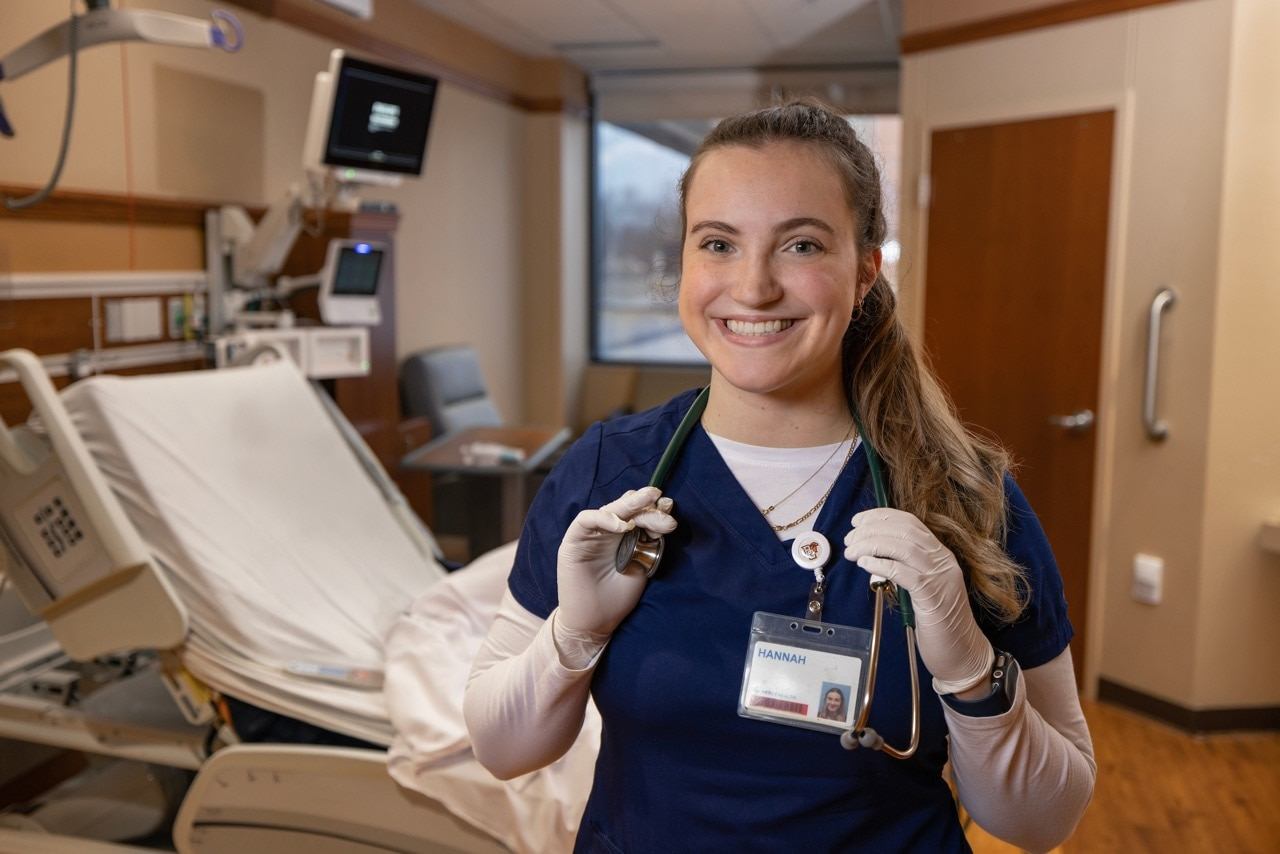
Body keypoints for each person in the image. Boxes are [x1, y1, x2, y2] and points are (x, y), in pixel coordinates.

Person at [464, 99, 1096, 853]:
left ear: (864, 271)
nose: (755, 286)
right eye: (719, 244)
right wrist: (573, 635)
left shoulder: (966, 494)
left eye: (800, 245)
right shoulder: (610, 471)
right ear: (686, 264)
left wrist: (971, 670)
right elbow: (504, 751)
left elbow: (1042, 821)